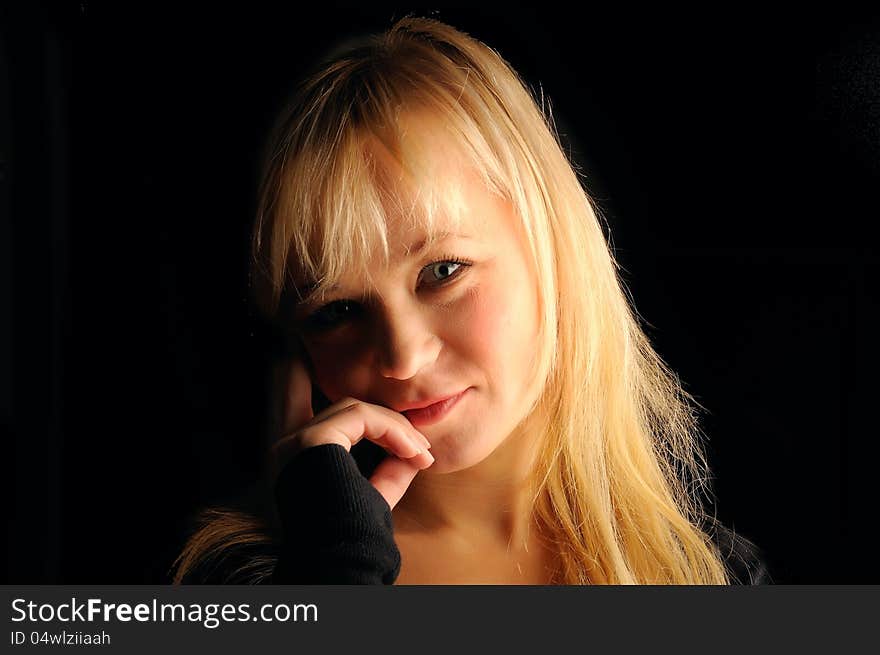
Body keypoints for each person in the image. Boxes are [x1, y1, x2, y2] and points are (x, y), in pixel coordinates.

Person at [171, 16, 769, 585]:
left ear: (552, 243)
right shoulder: (251, 583)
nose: (402, 359)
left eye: (443, 271)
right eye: (338, 311)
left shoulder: (704, 574)